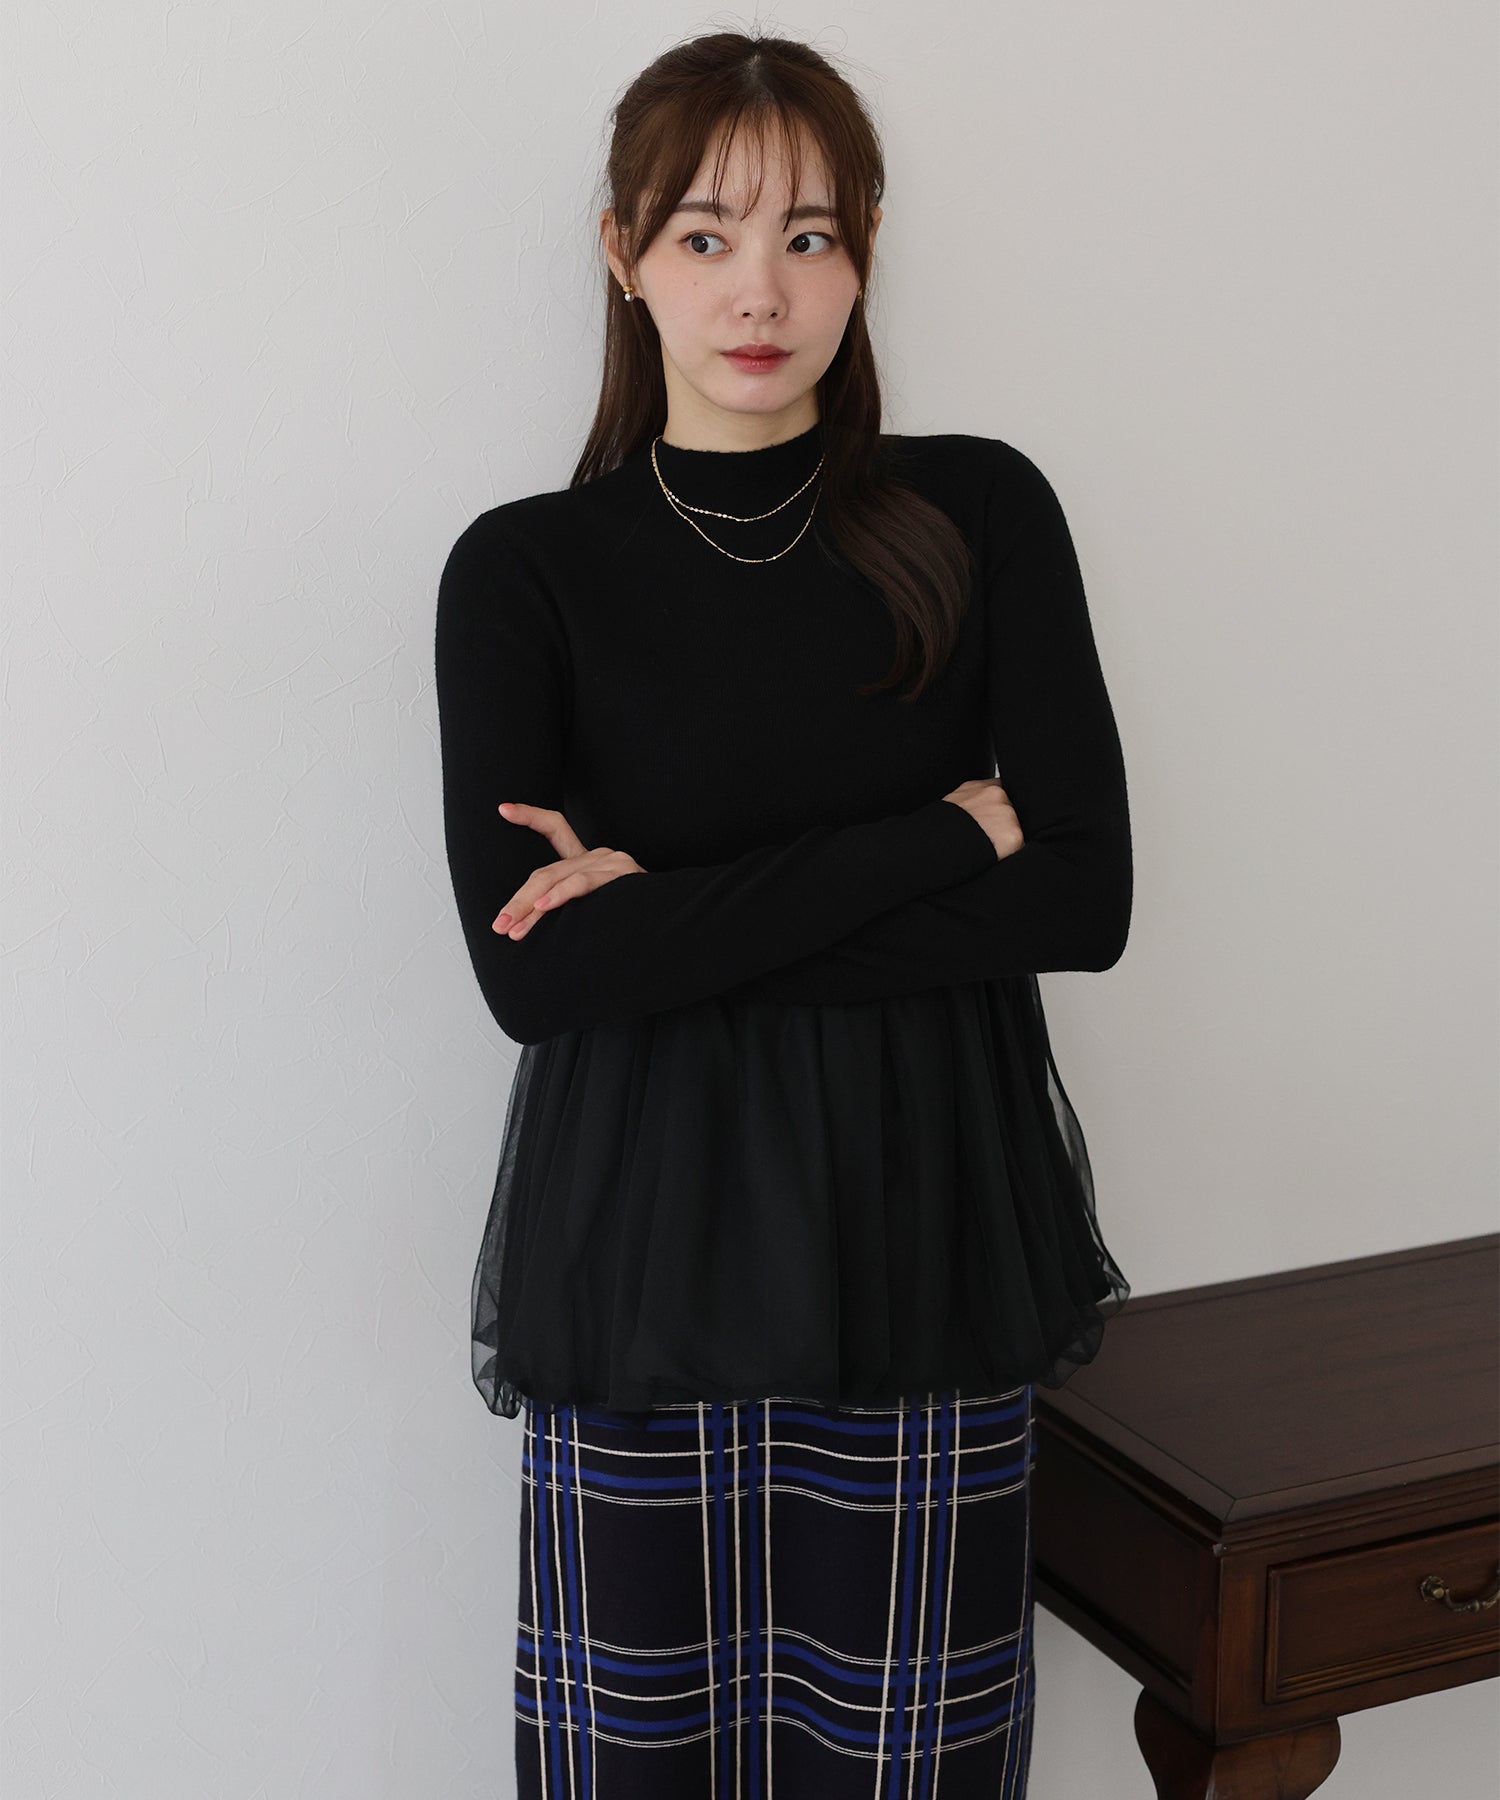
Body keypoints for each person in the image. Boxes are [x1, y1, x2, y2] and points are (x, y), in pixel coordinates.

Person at [434, 29, 1132, 1800]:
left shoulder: (978, 509)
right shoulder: (527, 570)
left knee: (914, 1763)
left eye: (809, 236)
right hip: (645, 1243)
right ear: (623, 252)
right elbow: (543, 977)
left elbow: (1085, 894)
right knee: (631, 1766)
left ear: (865, 250)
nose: (761, 290)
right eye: (706, 235)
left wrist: (669, 919)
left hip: (924, 1226)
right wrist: (938, 839)